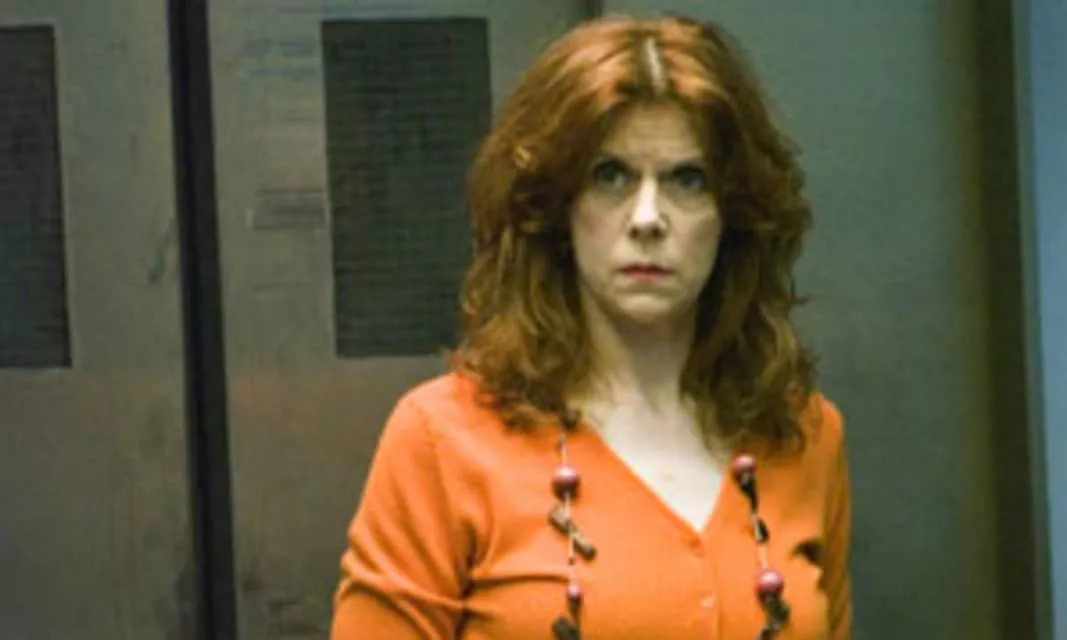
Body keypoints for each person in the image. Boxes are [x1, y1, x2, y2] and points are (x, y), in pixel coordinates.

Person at [330, 13, 851, 640]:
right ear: (557, 207)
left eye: (688, 180)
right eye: (610, 176)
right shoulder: (446, 439)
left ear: (732, 214)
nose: (648, 218)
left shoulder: (801, 435)